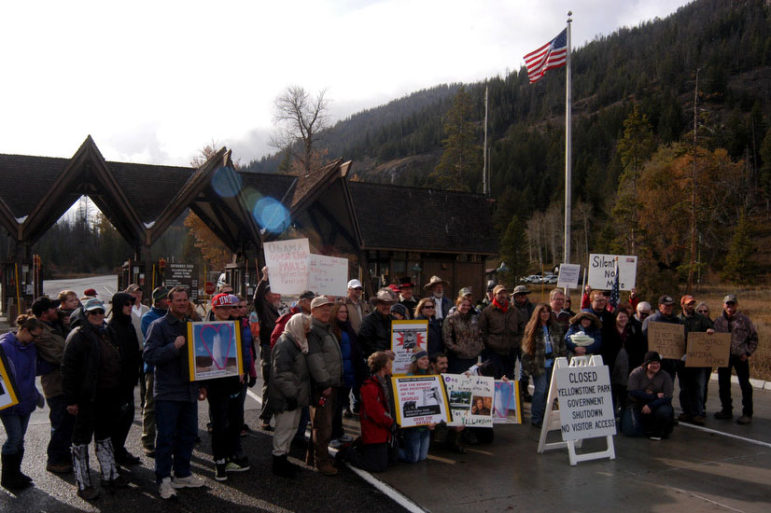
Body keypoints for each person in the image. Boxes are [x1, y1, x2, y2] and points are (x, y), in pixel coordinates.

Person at [62, 298, 129, 500]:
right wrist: (71, 401)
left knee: (105, 435)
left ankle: (110, 475)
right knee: (81, 441)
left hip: (107, 395)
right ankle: (83, 483)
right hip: (86, 398)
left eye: (101, 312)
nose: (98, 315)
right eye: (93, 313)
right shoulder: (78, 336)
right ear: (85, 315)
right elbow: (68, 371)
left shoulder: (107, 332)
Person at [143, 287, 206, 499]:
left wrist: (201, 385)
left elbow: (199, 357)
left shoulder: (191, 325)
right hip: (168, 392)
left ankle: (182, 474)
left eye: (184, 300)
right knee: (166, 438)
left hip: (188, 391)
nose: (181, 303)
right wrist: (173, 347)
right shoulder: (158, 326)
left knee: (188, 436)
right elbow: (149, 355)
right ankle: (163, 480)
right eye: (177, 300)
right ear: (169, 302)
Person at [206, 293, 252, 481]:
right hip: (216, 382)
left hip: (235, 379)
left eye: (230, 308)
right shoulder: (205, 328)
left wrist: (243, 369)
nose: (227, 312)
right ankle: (219, 463)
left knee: (234, 421)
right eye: (222, 308)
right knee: (219, 423)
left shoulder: (237, 325)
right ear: (214, 309)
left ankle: (230, 457)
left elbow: (242, 349)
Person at [0, 315, 44, 491]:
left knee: (20, 440)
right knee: (14, 438)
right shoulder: (4, 346)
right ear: (24, 330)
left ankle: (16, 473)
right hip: (9, 403)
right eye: (35, 336)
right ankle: (7, 477)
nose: (36, 340)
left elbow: (33, 371)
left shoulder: (31, 347)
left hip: (26, 400)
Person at [31, 296, 75, 474]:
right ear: (44, 314)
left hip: (66, 382)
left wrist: (66, 323)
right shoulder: (41, 333)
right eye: (52, 308)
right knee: (60, 423)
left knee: (68, 423)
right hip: (56, 384)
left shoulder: (55, 325)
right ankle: (55, 460)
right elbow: (59, 355)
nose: (56, 310)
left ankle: (64, 454)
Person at [269, 313, 312, 477]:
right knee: (284, 429)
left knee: (292, 427)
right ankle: (278, 462)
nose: (307, 331)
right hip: (286, 397)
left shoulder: (296, 341)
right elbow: (281, 374)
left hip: (294, 395)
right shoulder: (286, 344)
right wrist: (293, 395)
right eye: (305, 327)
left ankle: (283, 458)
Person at [306, 296, 343, 476]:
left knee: (321, 423)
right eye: (322, 309)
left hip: (331, 383)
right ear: (313, 311)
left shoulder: (326, 328)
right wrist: (325, 382)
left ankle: (313, 456)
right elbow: (315, 360)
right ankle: (321, 462)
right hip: (323, 386)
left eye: (328, 308)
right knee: (323, 426)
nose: (326, 311)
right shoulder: (314, 330)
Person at [343, 351, 397, 473]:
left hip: (383, 431)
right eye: (389, 362)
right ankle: (348, 452)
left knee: (391, 461)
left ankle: (360, 446)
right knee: (378, 467)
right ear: (384, 366)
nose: (391, 365)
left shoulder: (385, 381)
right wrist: (390, 422)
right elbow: (375, 411)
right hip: (375, 430)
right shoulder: (370, 386)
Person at [107, 292, 142, 466]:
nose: (130, 307)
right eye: (127, 304)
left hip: (129, 380)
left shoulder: (128, 324)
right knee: (117, 418)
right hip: (117, 383)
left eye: (131, 304)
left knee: (127, 417)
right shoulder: (112, 327)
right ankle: (114, 453)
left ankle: (119, 449)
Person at [713, 294, 758, 425]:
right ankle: (726, 410)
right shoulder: (718, 321)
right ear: (723, 305)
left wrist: (747, 353)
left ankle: (747, 413)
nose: (729, 307)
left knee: (745, 385)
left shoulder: (744, 320)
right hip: (723, 358)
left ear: (736, 305)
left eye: (732, 304)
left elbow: (754, 338)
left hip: (740, 357)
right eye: (727, 304)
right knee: (723, 384)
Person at [522, 304, 567, 427]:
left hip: (553, 364)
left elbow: (562, 346)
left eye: (547, 312)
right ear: (538, 314)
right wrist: (527, 369)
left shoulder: (556, 327)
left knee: (549, 392)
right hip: (539, 365)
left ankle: (545, 417)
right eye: (542, 312)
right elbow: (526, 351)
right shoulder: (531, 328)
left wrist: (564, 362)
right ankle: (536, 418)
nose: (545, 314)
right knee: (540, 391)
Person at [139, 286, 170, 458]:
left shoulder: (173, 316)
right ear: (158, 301)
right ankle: (148, 440)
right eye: (166, 298)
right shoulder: (148, 318)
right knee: (150, 405)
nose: (169, 301)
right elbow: (156, 342)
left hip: (171, 368)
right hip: (153, 368)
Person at [330, 302, 366, 440]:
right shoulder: (333, 329)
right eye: (341, 312)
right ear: (335, 314)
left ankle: (339, 432)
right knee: (335, 408)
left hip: (349, 374)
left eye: (345, 312)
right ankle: (333, 435)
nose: (344, 314)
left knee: (340, 406)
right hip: (338, 375)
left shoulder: (348, 328)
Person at [677, 294, 714, 426]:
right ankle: (686, 411)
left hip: (698, 360)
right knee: (684, 387)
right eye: (688, 303)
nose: (691, 306)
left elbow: (712, 328)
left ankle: (698, 413)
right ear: (683, 305)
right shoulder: (677, 320)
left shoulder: (701, 319)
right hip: (682, 360)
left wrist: (710, 331)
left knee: (698, 386)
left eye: (693, 303)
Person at [253, 266, 281, 430]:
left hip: (281, 349)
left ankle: (276, 414)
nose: (277, 295)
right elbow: (257, 297)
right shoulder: (263, 308)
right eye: (273, 293)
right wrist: (264, 278)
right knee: (270, 384)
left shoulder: (279, 309)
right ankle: (265, 417)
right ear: (266, 296)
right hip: (268, 348)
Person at [624, 351, 674, 440]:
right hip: (637, 403)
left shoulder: (665, 376)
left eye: (657, 363)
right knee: (630, 431)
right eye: (652, 363)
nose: (656, 366)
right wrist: (654, 396)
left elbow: (668, 396)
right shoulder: (636, 373)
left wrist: (651, 405)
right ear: (646, 364)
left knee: (664, 411)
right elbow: (632, 391)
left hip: (657, 404)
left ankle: (659, 430)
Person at [478, 285, 520, 379]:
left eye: (504, 293)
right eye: (499, 293)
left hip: (510, 350)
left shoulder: (514, 311)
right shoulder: (487, 311)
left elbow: (521, 327)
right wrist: (489, 342)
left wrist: (516, 341)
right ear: (494, 295)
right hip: (494, 351)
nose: (502, 295)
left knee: (509, 377)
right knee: (495, 376)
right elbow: (482, 330)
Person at [399, 351, 434, 463]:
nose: (426, 361)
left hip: (426, 426)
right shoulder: (409, 378)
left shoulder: (431, 376)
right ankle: (392, 450)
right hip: (414, 426)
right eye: (422, 359)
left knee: (422, 457)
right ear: (415, 361)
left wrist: (435, 419)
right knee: (413, 459)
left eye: (427, 359)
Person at [642, 295, 685, 382]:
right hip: (653, 365)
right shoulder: (650, 320)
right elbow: (643, 341)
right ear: (659, 306)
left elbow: (682, 342)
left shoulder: (678, 322)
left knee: (667, 392)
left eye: (671, 305)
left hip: (671, 365)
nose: (669, 308)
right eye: (666, 305)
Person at [443, 296, 484, 373]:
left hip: (473, 356)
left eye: (468, 305)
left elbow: (479, 334)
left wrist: (479, 347)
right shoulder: (450, 319)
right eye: (463, 305)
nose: (466, 307)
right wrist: (458, 349)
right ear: (458, 305)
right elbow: (447, 338)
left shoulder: (474, 318)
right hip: (458, 358)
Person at [359, 289, 395, 358]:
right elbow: (365, 344)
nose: (386, 307)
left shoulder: (394, 320)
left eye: (388, 304)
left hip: (391, 362)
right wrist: (382, 353)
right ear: (377, 304)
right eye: (383, 304)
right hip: (376, 362)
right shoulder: (368, 320)